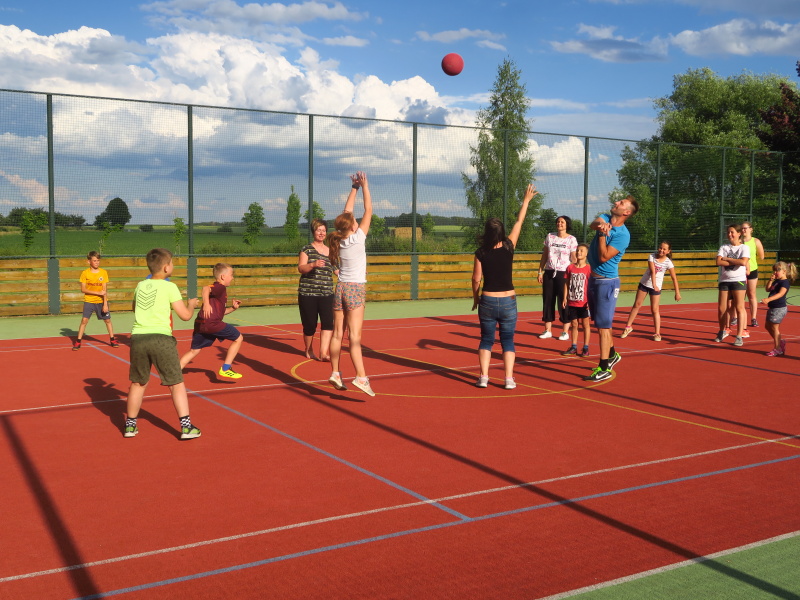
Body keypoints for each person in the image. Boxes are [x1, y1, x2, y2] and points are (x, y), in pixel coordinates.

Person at [124, 248, 200, 440]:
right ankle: (186, 427)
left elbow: (134, 308)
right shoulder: (170, 287)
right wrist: (191, 305)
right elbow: (185, 316)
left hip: (138, 338)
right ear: (166, 267)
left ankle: (130, 426)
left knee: (138, 383)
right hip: (161, 339)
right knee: (176, 383)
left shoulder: (140, 285)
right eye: (172, 262)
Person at [471, 183, 537, 390]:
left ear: (487, 233)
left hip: (488, 300)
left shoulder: (481, 252)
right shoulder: (509, 246)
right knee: (508, 340)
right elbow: (519, 221)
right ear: (502, 233)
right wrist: (526, 201)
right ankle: (508, 379)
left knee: (486, 340)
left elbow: (476, 279)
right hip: (508, 300)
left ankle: (484, 377)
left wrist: (476, 298)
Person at [327, 171, 375, 397]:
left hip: (340, 288)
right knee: (354, 337)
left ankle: (335, 373)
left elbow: (347, 213)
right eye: (354, 221)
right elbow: (368, 210)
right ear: (352, 226)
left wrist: (354, 188)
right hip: (355, 288)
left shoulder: (339, 240)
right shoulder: (358, 238)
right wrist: (364, 186)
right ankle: (361, 377)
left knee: (337, 334)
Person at [584, 195, 639, 382]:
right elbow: (593, 224)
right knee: (600, 323)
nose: (616, 202)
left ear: (626, 212)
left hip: (607, 283)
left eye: (621, 203)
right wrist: (600, 227)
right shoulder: (606, 218)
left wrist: (602, 235)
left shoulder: (623, 235)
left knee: (603, 327)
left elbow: (603, 257)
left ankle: (604, 367)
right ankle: (613, 354)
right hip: (594, 279)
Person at [180, 262, 244, 379]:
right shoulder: (220, 287)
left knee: (194, 350)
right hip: (212, 324)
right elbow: (205, 288)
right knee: (238, 338)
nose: (232, 277)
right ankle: (226, 368)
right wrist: (206, 304)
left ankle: (174, 372)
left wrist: (233, 308)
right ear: (223, 276)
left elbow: (219, 312)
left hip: (201, 323)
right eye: (231, 275)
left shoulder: (218, 291)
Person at [620, 240, 682, 342]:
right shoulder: (651, 256)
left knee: (655, 309)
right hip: (644, 284)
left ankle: (657, 333)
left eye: (664, 249)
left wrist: (677, 293)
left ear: (668, 251)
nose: (661, 250)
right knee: (637, 305)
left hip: (656, 287)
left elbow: (674, 278)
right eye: (660, 248)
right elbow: (653, 271)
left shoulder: (668, 263)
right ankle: (628, 327)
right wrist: (654, 284)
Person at [297, 219, 335, 361]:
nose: (321, 233)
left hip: (327, 294)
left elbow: (336, 269)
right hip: (308, 294)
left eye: (324, 230)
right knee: (310, 325)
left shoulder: (331, 251)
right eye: (319, 230)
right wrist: (313, 264)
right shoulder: (306, 249)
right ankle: (308, 349)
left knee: (328, 323)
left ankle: (323, 353)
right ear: (313, 232)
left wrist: (356, 273)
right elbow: (301, 268)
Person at [537, 215, 577, 340]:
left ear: (567, 224)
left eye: (562, 222)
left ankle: (565, 331)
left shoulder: (571, 239)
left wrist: (576, 269)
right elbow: (545, 254)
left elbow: (574, 257)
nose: (559, 224)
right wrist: (540, 271)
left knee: (563, 301)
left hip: (563, 273)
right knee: (548, 300)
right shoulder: (550, 236)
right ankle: (547, 330)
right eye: (558, 222)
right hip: (549, 272)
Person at [73, 250, 119, 350]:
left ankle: (112, 339)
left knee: (107, 320)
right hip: (89, 301)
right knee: (84, 320)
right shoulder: (85, 273)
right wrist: (98, 293)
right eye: (94, 261)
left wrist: (105, 304)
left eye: (98, 260)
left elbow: (104, 290)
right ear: (88, 261)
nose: (97, 262)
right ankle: (78, 341)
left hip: (101, 301)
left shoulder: (103, 272)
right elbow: (83, 289)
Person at [715, 224, 750, 346]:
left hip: (738, 281)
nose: (729, 234)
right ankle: (722, 331)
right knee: (722, 308)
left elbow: (743, 262)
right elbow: (718, 261)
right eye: (728, 232)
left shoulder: (744, 248)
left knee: (740, 308)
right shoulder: (724, 247)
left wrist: (728, 259)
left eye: (732, 232)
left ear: (739, 233)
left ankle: (739, 336)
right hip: (725, 281)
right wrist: (735, 261)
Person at [760, 261, 797, 356]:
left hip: (779, 308)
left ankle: (777, 348)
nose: (775, 272)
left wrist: (768, 299)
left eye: (777, 270)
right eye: (774, 270)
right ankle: (780, 343)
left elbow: (781, 294)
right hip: (772, 307)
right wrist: (770, 280)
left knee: (775, 327)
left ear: (784, 271)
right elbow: (768, 289)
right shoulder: (776, 281)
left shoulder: (785, 283)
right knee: (767, 326)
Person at [561, 243, 591, 357]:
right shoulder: (570, 268)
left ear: (587, 254)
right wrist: (565, 297)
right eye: (578, 250)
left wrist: (590, 301)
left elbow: (591, 286)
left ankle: (586, 347)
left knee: (585, 324)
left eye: (582, 250)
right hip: (572, 301)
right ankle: (573, 346)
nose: (579, 252)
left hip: (584, 302)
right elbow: (566, 283)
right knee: (574, 324)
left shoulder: (589, 269)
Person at [740, 221, 765, 328]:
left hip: (752, 270)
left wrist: (750, 261)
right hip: (740, 271)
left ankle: (753, 318)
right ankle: (737, 317)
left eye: (745, 228)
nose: (743, 230)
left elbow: (761, 256)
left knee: (751, 294)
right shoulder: (739, 241)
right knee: (740, 295)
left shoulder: (756, 241)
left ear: (751, 229)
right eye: (742, 228)